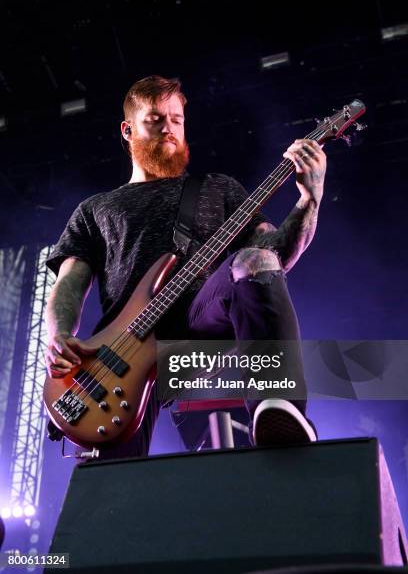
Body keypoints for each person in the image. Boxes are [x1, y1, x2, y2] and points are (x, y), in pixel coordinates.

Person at [45, 75, 326, 459]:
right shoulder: (95, 209)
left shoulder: (219, 188)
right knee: (112, 488)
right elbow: (70, 282)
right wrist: (61, 334)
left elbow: (272, 260)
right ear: (127, 130)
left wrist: (309, 199)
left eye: (177, 119)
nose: (169, 128)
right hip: (122, 353)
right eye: (155, 118)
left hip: (199, 329)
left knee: (254, 259)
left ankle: (277, 405)